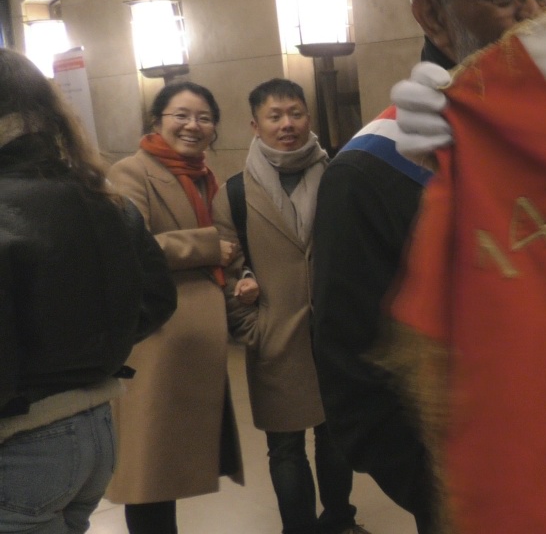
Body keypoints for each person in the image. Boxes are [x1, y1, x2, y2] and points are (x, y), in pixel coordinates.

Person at [310, 0, 546, 533]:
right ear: (433, 15)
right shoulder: (373, 172)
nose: (534, 16)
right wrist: (460, 499)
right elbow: (356, 383)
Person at [0, 48, 176, 534]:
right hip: (96, 427)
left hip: (21, 441)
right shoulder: (102, 196)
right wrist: (86, 352)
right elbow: (157, 299)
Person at [211, 79, 369, 534]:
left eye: (295, 113)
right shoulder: (235, 193)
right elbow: (229, 267)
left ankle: (340, 518)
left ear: (308, 118)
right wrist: (252, 328)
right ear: (255, 125)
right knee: (284, 448)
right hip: (275, 337)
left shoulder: (340, 174)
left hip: (335, 335)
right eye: (275, 116)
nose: (287, 125)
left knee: (335, 437)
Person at [105, 81, 245, 534]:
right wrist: (207, 247)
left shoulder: (206, 176)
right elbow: (130, 247)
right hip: (157, 344)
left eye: (204, 118)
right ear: (157, 120)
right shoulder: (131, 172)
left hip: (195, 347)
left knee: (176, 464)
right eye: (181, 115)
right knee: (149, 473)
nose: (193, 125)